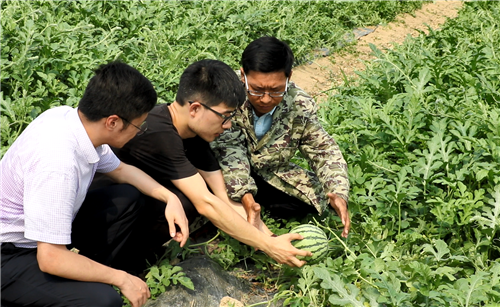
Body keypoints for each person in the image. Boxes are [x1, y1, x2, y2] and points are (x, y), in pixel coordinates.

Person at [0, 61, 189, 307]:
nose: (139, 131)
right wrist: (121, 279)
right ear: (112, 122)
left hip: (43, 231)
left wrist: (170, 198)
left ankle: (85, 277)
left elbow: (121, 170)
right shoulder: (58, 163)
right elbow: (50, 258)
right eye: (137, 126)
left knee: (127, 198)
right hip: (11, 253)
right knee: (103, 301)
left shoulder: (69, 119)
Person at [108, 59, 311, 269]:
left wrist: (272, 238)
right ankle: (123, 264)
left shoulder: (193, 133)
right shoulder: (159, 133)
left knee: (195, 196)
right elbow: (207, 204)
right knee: (188, 201)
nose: (229, 125)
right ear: (195, 108)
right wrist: (269, 246)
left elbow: (221, 195)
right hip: (106, 211)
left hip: (132, 205)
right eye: (224, 116)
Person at [211, 36, 351, 238]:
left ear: (289, 77)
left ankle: (255, 207)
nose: (266, 99)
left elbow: (323, 150)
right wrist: (246, 197)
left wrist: (338, 192)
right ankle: (233, 210)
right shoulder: (225, 95)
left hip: (268, 172)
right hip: (222, 170)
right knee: (210, 191)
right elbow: (230, 152)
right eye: (257, 90)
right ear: (243, 76)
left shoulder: (299, 104)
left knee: (318, 200)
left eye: (276, 90)